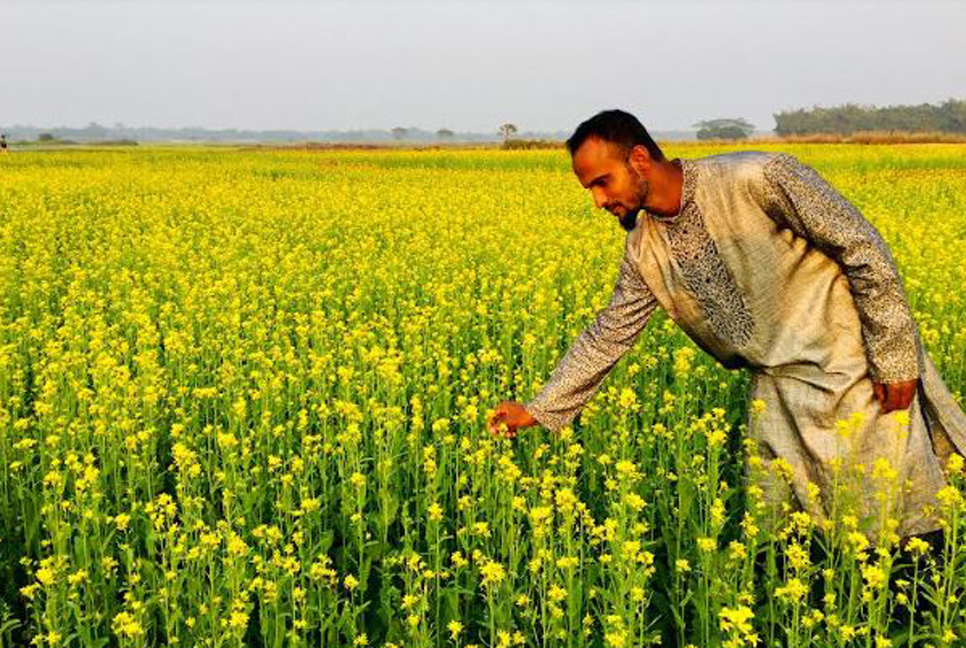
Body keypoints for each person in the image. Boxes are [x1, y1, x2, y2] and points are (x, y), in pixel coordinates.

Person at [488, 109, 966, 540]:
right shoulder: (644, 248)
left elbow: (861, 247)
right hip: (778, 392)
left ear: (638, 159)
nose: (596, 201)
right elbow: (609, 333)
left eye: (601, 182)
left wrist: (895, 357)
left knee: (898, 527)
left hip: (859, 374)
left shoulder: (758, 177)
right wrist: (540, 409)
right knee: (789, 543)